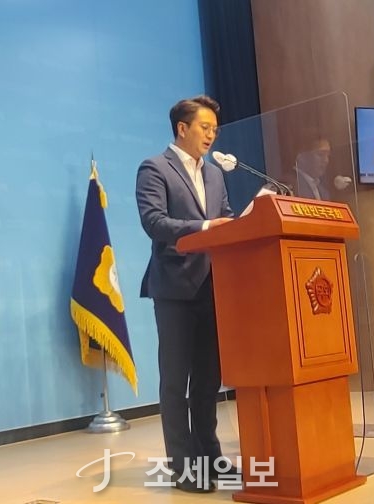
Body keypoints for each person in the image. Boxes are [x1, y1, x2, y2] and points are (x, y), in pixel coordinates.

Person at [135, 95, 235, 493]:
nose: (211, 135)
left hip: (213, 285)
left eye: (215, 130)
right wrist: (206, 227)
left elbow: (225, 220)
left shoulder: (215, 175)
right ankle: (183, 467)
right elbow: (154, 222)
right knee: (176, 381)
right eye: (205, 128)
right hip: (175, 287)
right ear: (182, 128)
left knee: (208, 380)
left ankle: (210, 456)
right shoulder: (154, 168)